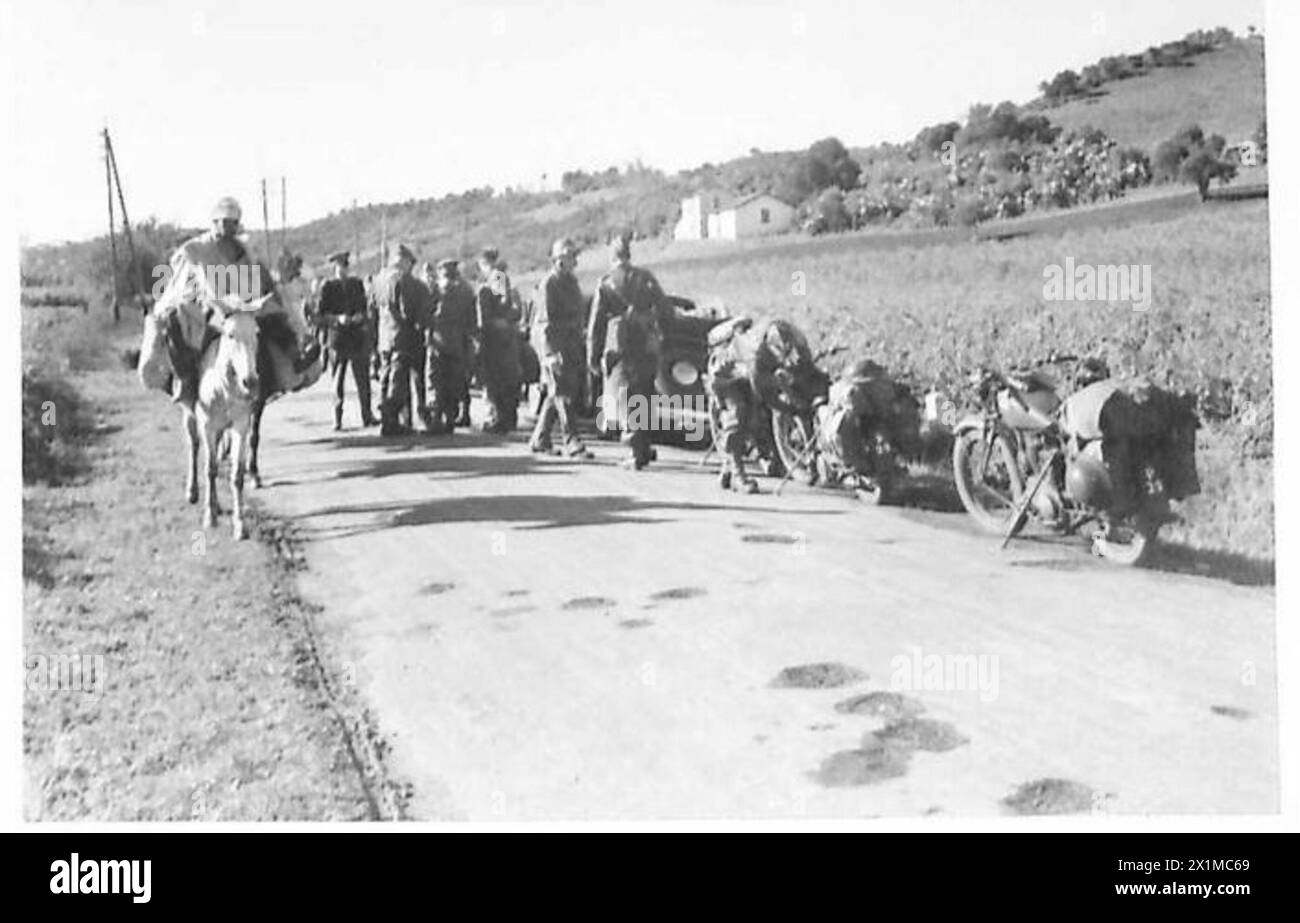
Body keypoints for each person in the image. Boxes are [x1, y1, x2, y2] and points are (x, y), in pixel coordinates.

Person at [153, 196, 313, 404]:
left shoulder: (245, 248)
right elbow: (204, 287)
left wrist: (269, 297)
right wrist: (227, 305)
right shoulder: (197, 249)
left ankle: (293, 357)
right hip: (208, 310)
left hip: (244, 307)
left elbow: (262, 276)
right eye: (226, 222)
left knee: (274, 319)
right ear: (215, 222)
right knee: (175, 325)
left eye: (234, 223)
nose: (230, 228)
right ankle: (186, 379)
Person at [587, 232, 667, 469]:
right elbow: (665, 309)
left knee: (624, 396)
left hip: (619, 346)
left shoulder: (606, 283)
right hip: (645, 343)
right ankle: (643, 445)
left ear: (612, 256)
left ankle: (635, 451)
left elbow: (596, 325)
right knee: (644, 393)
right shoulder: (646, 278)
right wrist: (657, 330)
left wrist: (593, 356)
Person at [529, 237, 592, 458]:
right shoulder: (549, 284)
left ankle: (540, 439)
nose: (575, 260)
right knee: (562, 393)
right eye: (570, 256)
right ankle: (571, 440)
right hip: (554, 345)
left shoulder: (571, 282)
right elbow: (544, 323)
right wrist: (549, 354)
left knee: (558, 392)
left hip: (571, 343)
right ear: (559, 259)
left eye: (575, 256)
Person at [370, 244, 433, 436]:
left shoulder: (379, 280)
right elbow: (408, 312)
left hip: (385, 338)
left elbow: (372, 309)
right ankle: (392, 418)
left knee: (388, 378)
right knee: (401, 382)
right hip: (404, 337)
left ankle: (396, 419)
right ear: (406, 262)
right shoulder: (405, 282)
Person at [316, 250, 377, 430]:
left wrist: (359, 317)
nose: (342, 270)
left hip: (356, 336)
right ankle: (337, 418)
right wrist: (336, 319)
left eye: (344, 266)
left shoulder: (356, 284)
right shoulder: (327, 287)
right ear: (334, 268)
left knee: (363, 379)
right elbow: (320, 316)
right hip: (338, 338)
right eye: (339, 266)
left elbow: (364, 309)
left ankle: (367, 414)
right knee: (338, 380)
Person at [426, 258, 479, 434]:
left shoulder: (440, 289)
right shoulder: (466, 289)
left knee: (439, 381)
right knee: (455, 381)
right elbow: (472, 317)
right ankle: (451, 418)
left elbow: (432, 313)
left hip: (441, 340)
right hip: (460, 341)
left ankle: (437, 419)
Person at [475, 248, 522, 433]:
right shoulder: (499, 277)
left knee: (496, 379)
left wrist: (495, 323)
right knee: (505, 379)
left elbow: (502, 306)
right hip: (502, 338)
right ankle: (506, 417)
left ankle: (499, 419)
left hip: (496, 339)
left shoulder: (496, 277)